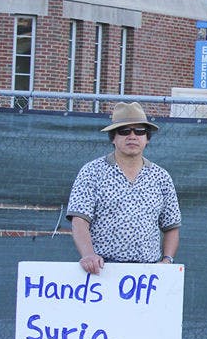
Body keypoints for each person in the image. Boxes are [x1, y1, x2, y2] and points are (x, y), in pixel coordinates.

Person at [66, 102, 181, 274]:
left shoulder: (161, 177)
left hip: (148, 273)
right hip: (102, 271)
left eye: (139, 131)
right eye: (124, 131)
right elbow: (79, 219)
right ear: (113, 137)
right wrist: (88, 255)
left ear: (147, 138)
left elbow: (171, 225)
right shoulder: (92, 172)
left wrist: (167, 261)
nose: (132, 136)